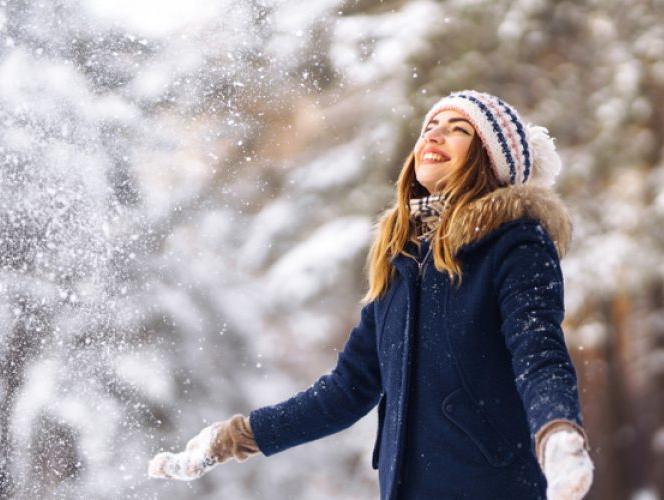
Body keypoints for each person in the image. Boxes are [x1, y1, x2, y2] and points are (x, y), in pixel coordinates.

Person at [148, 90, 594, 500]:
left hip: (492, 486)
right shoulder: (402, 264)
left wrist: (558, 433)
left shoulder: (514, 244)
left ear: (490, 161)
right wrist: (237, 436)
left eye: (459, 129)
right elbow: (346, 391)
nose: (435, 134)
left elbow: (538, 352)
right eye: (430, 126)